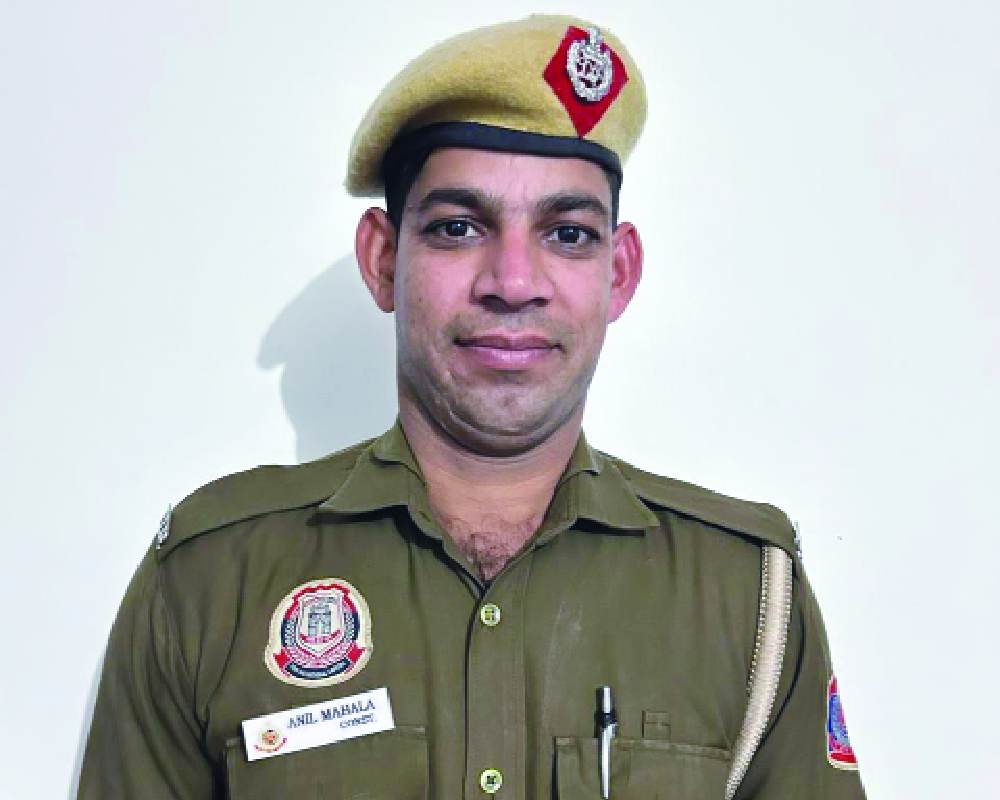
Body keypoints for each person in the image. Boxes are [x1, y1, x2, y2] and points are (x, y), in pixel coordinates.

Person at [79, 15, 866, 799]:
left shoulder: (747, 596)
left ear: (619, 273)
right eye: (459, 228)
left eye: (567, 233)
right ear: (383, 260)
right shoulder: (210, 580)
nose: (513, 282)